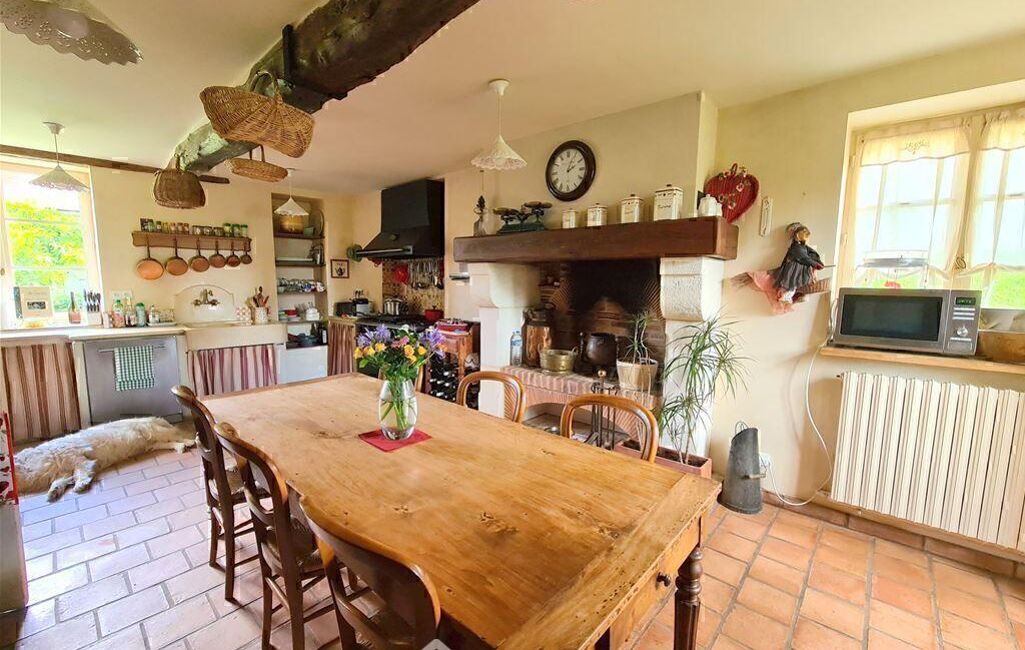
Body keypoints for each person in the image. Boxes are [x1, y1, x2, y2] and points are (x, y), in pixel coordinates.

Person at [774, 222, 824, 303]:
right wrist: (815, 264)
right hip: (793, 270)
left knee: (792, 285)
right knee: (791, 284)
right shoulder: (797, 248)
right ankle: (785, 296)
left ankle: (786, 296)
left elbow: (808, 257)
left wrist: (816, 264)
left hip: (795, 270)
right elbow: (804, 258)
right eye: (808, 238)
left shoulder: (802, 247)